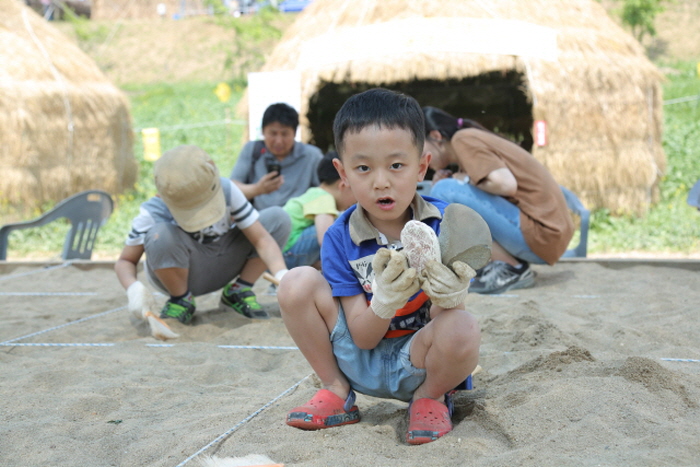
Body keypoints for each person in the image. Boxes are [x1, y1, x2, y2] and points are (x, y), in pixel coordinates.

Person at [277, 88, 481, 445]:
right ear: (343, 173)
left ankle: (429, 399)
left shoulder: (443, 224)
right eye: (363, 168)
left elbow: (447, 322)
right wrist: (385, 299)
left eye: (396, 165)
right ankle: (336, 390)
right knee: (296, 283)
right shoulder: (341, 237)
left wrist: (451, 293)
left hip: (419, 360)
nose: (381, 181)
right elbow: (362, 336)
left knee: (463, 326)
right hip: (360, 357)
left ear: (422, 166)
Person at [115, 145, 290, 324]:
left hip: (224, 261)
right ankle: (181, 299)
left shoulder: (227, 189)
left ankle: (239, 291)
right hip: (182, 276)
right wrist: (133, 288)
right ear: (162, 195)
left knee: (277, 219)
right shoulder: (154, 211)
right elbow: (126, 261)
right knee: (160, 235)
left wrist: (282, 274)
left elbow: (261, 238)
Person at [422, 107, 574, 294]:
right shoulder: (468, 145)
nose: (420, 158)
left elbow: (506, 184)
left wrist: (458, 181)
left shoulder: (463, 139)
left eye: (419, 148)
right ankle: (506, 263)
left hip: (541, 234)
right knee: (445, 189)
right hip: (548, 237)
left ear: (436, 136)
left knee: (443, 190)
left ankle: (511, 267)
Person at [230, 103, 324, 210]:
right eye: (273, 133)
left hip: (300, 222)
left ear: (294, 133)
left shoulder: (312, 156)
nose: (279, 141)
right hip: (259, 221)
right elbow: (232, 190)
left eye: (284, 134)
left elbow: (326, 192)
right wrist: (258, 189)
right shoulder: (252, 150)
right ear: (263, 131)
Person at [281, 150, 356, 269]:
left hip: (286, 253)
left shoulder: (315, 194)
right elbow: (324, 239)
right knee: (336, 229)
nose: (356, 202)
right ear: (344, 185)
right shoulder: (324, 197)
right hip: (288, 252)